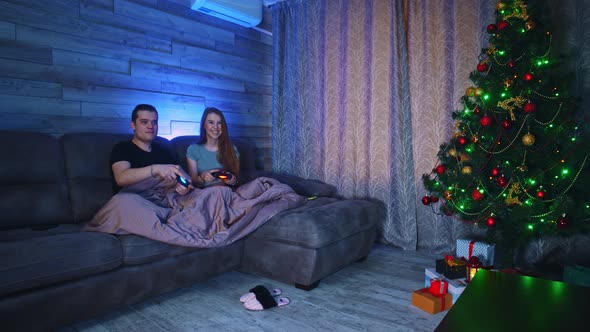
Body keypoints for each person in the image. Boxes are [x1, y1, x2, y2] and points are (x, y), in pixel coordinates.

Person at [110, 104, 192, 195]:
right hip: (136, 198)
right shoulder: (122, 148)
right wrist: (156, 169)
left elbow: (185, 177)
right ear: (133, 125)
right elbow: (121, 178)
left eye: (154, 122)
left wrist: (184, 185)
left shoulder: (163, 150)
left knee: (208, 193)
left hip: (166, 197)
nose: (151, 126)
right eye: (144, 122)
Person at [186, 107, 240, 188]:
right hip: (207, 194)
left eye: (219, 123)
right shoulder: (193, 149)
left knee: (262, 183)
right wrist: (202, 177)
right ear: (204, 125)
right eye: (211, 122)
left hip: (228, 192)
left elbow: (237, 180)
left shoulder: (232, 149)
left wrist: (232, 180)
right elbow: (193, 183)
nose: (216, 127)